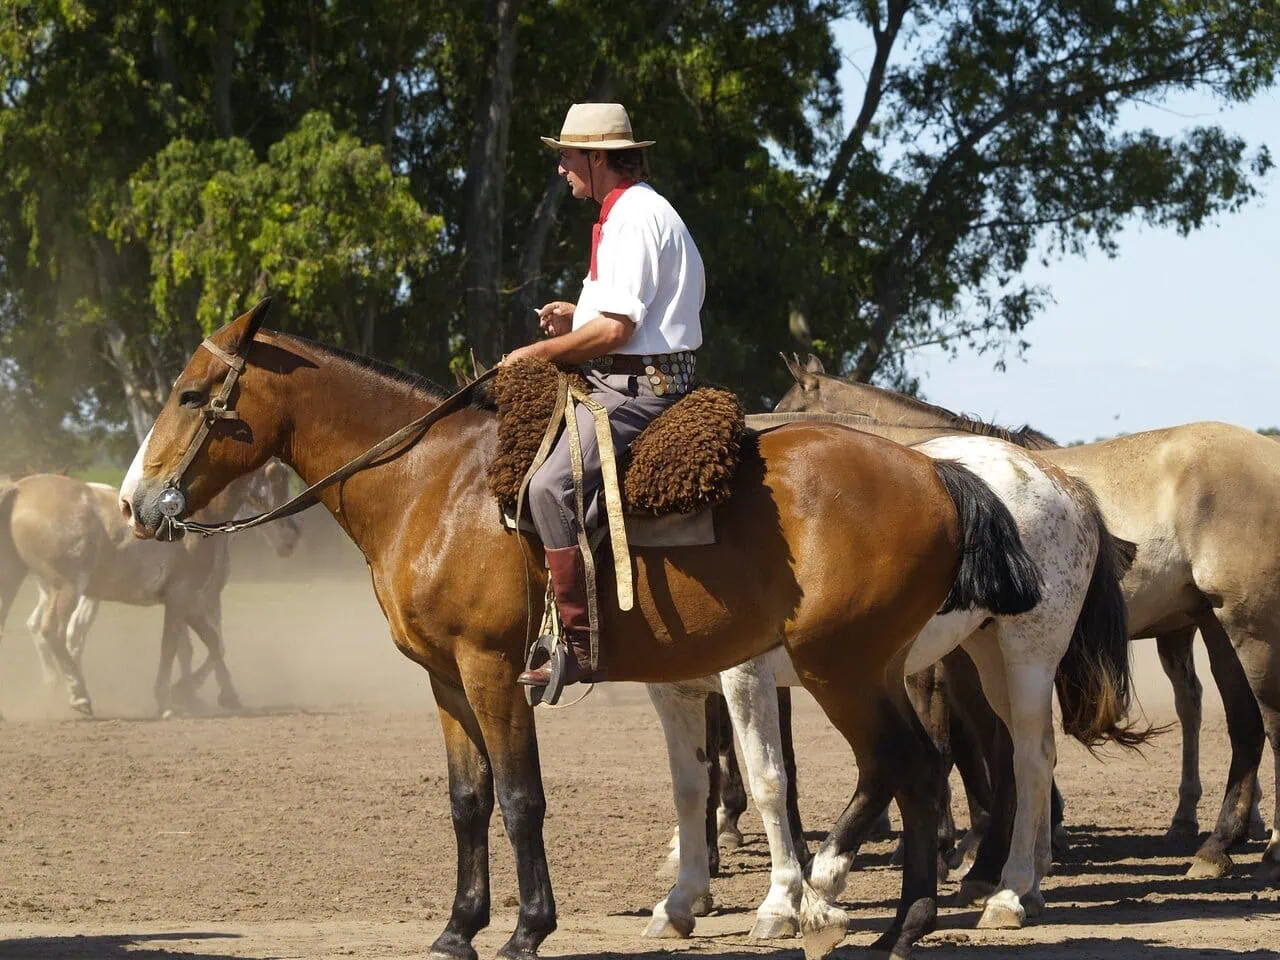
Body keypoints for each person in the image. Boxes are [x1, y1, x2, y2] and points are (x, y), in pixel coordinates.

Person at [508, 102, 705, 692]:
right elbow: (622, 315)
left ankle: (580, 643)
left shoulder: (634, 218)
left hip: (641, 392)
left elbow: (618, 332)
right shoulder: (629, 213)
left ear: (598, 158)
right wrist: (577, 315)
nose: (561, 169)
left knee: (549, 487)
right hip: (627, 377)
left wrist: (535, 355)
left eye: (567, 157)